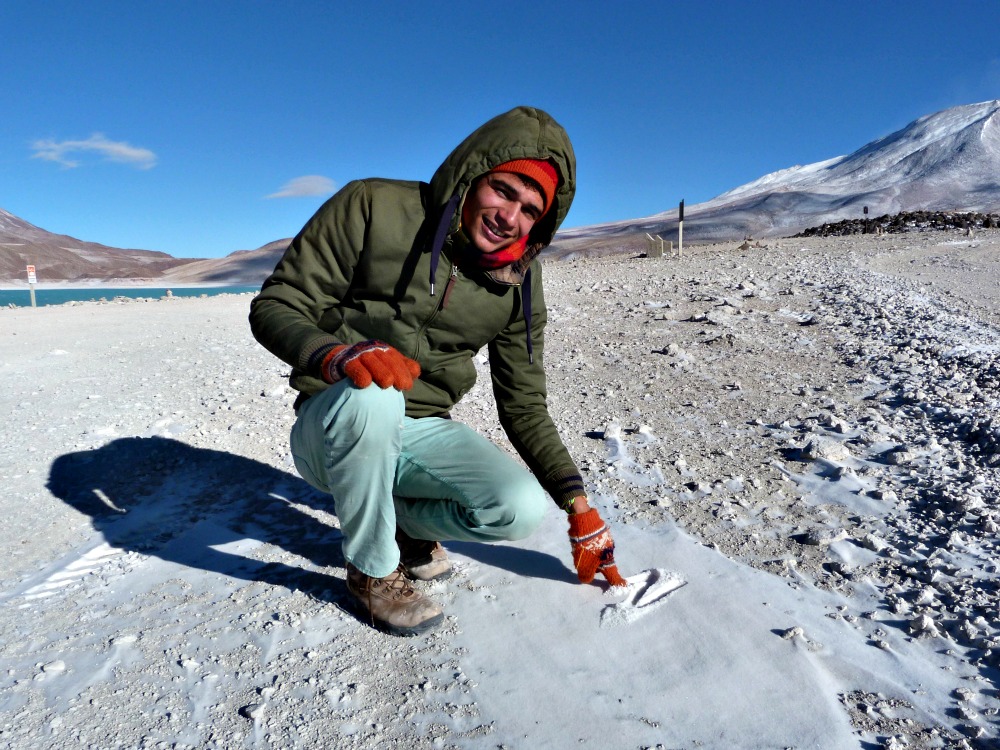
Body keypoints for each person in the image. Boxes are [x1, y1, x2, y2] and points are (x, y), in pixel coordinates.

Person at [249, 106, 625, 636]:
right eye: (504, 190)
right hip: (335, 423)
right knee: (373, 394)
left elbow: (523, 402)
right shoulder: (373, 205)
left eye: (530, 209)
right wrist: (337, 356)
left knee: (516, 509)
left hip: (419, 430)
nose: (509, 216)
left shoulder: (518, 281)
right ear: (473, 176)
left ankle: (399, 524)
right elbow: (278, 303)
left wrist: (579, 508)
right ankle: (373, 573)